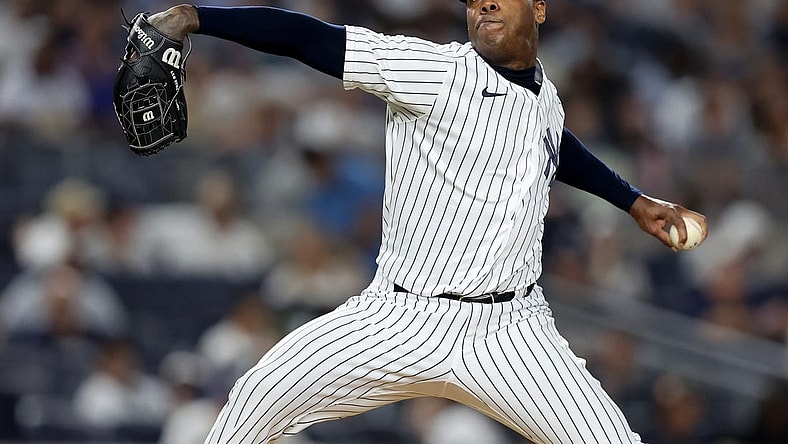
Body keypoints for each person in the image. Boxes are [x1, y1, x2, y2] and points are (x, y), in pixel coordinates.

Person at [143, 1, 708, 443]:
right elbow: (308, 37)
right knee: (248, 407)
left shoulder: (545, 96)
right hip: (398, 315)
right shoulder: (434, 70)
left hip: (511, 333)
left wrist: (634, 202)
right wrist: (197, 18)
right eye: (475, 0)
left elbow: (555, 145)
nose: (483, 6)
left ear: (538, 8)